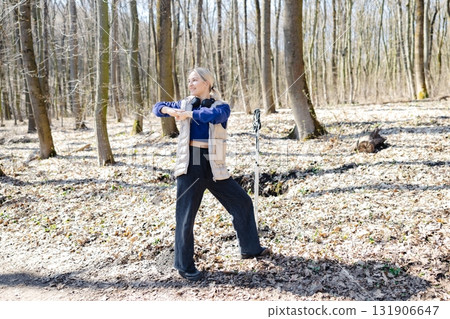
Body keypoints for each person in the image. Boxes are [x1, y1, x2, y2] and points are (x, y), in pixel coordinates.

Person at [153, 67, 269, 281]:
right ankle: (184, 266)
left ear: (207, 82)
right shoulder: (184, 103)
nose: (190, 84)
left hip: (213, 164)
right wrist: (169, 111)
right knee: (186, 216)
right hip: (190, 164)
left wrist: (188, 114)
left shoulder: (221, 106)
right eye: (189, 80)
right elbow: (157, 107)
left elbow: (212, 116)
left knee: (242, 202)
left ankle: (250, 248)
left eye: (195, 80)